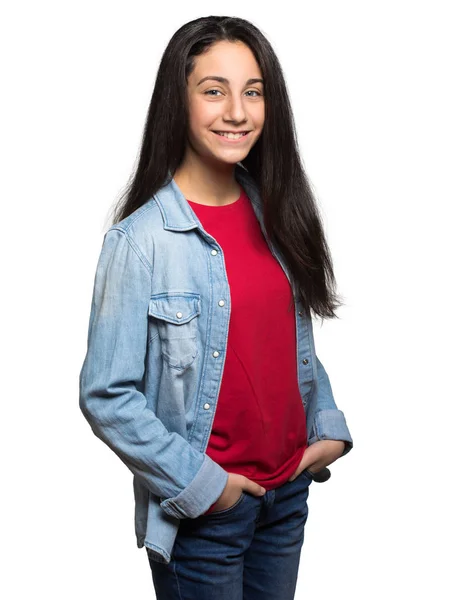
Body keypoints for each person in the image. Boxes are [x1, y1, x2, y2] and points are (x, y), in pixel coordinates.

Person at [79, 15, 353, 600]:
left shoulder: (277, 211)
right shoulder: (140, 242)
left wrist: (326, 429)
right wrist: (205, 485)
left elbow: (289, 347)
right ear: (177, 102)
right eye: (214, 90)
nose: (237, 111)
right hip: (206, 516)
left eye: (252, 91)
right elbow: (107, 393)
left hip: (286, 501)